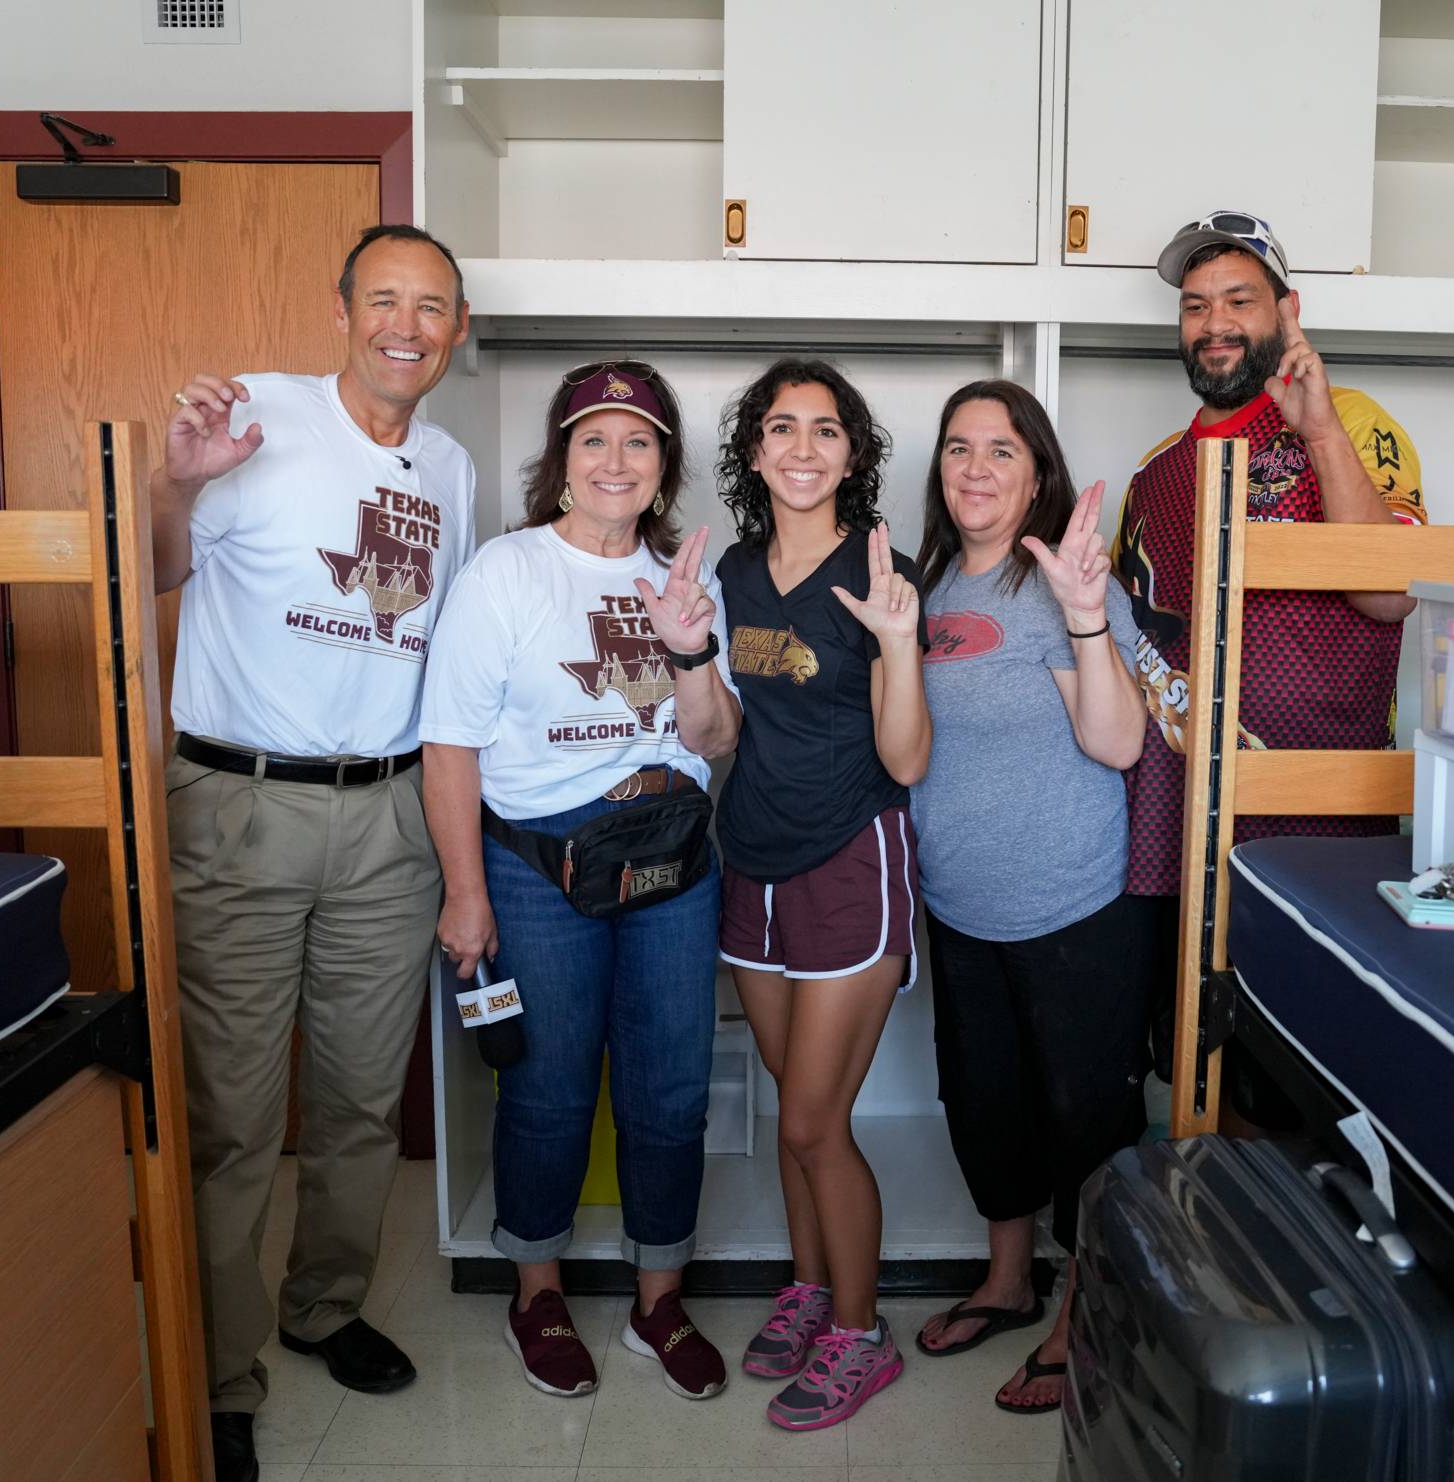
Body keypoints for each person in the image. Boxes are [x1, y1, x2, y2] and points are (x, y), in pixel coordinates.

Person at [152, 223, 476, 1482]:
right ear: (342, 306)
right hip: (243, 806)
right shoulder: (258, 417)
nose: (408, 324)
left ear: (458, 330)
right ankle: (223, 1370)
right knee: (233, 1114)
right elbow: (160, 570)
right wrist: (179, 483)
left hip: (388, 815)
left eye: (433, 307)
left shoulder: (447, 466)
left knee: (355, 1102)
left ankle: (323, 1307)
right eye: (385, 299)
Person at [418, 361, 742, 1404]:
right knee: (549, 1088)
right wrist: (466, 893)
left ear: (663, 469)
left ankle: (659, 1300)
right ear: (560, 459)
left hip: (672, 862)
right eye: (594, 439)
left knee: (670, 1089)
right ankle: (538, 1291)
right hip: (535, 866)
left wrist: (691, 646)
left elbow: (716, 738)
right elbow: (450, 745)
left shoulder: (691, 579)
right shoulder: (506, 573)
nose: (616, 460)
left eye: (639, 441)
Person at [1112, 209, 1427, 1108]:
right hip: (1184, 832)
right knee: (1193, 1082)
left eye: (1238, 300)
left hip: (1318, 829)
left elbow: (1390, 591)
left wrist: (1317, 427)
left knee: (1309, 1091)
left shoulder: (1353, 423)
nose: (1213, 322)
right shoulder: (1156, 470)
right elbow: (1144, 649)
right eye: (1195, 304)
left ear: (1288, 311)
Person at [907, 380, 1150, 1415]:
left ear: (1037, 471)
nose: (975, 467)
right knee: (984, 1104)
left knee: (1081, 1120)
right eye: (959, 448)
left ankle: (1083, 1312)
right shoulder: (924, 588)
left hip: (1073, 910)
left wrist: (1090, 618)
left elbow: (1120, 743)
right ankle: (1009, 1282)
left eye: (1000, 450)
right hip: (959, 906)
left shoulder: (1062, 584)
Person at [712, 359, 930, 1431]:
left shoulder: (884, 570)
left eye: (827, 430)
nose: (804, 448)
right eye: (782, 428)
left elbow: (910, 753)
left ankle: (859, 1332)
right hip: (748, 865)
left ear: (854, 453)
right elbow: (727, 731)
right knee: (783, 1107)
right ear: (754, 452)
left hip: (851, 856)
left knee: (813, 1119)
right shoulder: (735, 573)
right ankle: (808, 1290)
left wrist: (897, 643)